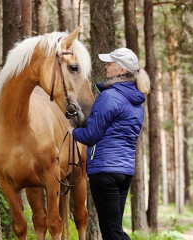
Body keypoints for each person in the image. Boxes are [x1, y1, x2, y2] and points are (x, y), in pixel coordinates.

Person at [68, 47, 150, 240]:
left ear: (121, 70)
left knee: (112, 233)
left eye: (110, 63)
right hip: (124, 172)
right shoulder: (137, 102)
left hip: (105, 171)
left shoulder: (109, 96)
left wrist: (73, 131)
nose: (106, 66)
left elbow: (91, 136)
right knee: (113, 230)